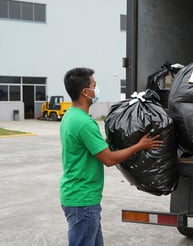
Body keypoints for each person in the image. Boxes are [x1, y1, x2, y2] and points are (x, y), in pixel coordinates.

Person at [59, 67, 162, 246]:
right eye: (94, 85)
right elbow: (108, 159)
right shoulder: (84, 123)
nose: (97, 90)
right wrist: (140, 146)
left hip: (79, 197)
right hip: (82, 200)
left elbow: (93, 147)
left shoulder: (71, 116)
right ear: (85, 92)